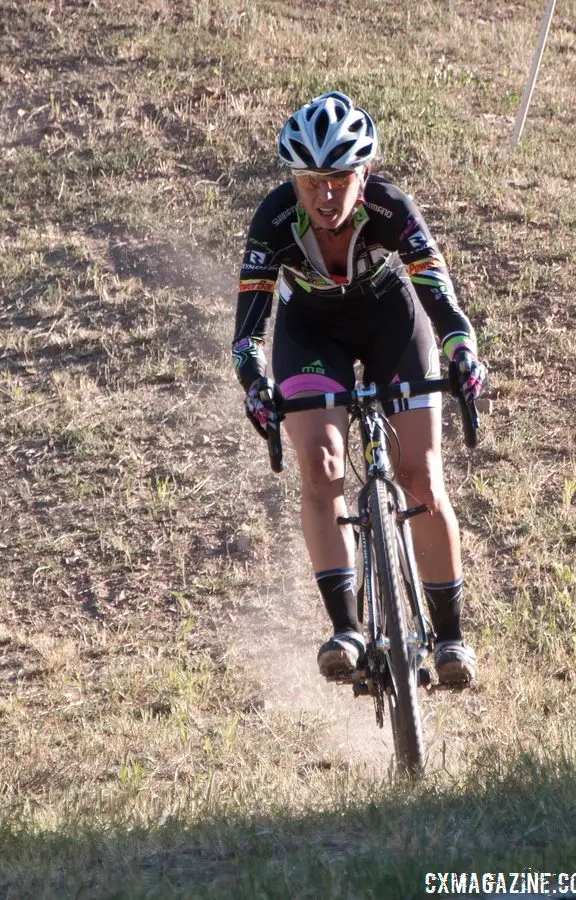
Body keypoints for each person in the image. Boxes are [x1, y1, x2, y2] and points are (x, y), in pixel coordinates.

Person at [231, 91, 486, 685]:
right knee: (321, 467)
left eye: (340, 179)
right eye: (311, 180)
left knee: (420, 474)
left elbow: (441, 299)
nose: (325, 195)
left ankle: (449, 637)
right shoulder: (273, 220)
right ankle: (346, 627)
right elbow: (247, 335)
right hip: (311, 331)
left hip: (390, 321)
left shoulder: (392, 208)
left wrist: (461, 349)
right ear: (294, 180)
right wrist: (255, 385)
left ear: (363, 173)